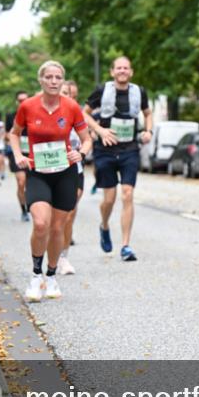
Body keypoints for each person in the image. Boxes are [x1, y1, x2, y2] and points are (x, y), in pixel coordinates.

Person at [9, 61, 91, 301]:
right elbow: (14, 134)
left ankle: (52, 276)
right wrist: (17, 155)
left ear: (62, 81)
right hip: (38, 171)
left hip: (65, 173)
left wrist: (82, 153)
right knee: (41, 223)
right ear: (41, 80)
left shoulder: (72, 107)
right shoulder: (28, 106)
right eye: (49, 77)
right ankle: (36, 276)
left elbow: (87, 139)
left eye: (58, 78)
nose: (54, 82)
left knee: (57, 228)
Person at [82, 56, 151, 262]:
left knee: (127, 194)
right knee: (109, 199)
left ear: (131, 72)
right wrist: (99, 130)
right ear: (112, 72)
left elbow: (148, 113)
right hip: (105, 150)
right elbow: (84, 114)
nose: (122, 71)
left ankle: (126, 246)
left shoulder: (139, 92)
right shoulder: (102, 90)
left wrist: (148, 131)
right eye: (118, 68)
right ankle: (104, 225)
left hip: (130, 148)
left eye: (126, 68)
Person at [56, 80, 85, 275]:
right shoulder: (49, 112)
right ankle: (50, 253)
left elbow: (87, 139)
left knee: (69, 214)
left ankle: (63, 257)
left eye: (73, 95)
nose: (70, 97)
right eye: (66, 93)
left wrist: (81, 152)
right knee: (54, 218)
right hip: (51, 168)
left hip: (75, 168)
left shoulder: (79, 114)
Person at [5, 90, 31, 221]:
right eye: (20, 100)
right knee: (21, 182)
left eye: (25, 99)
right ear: (17, 102)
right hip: (17, 153)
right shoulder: (11, 117)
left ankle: (34, 203)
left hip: (32, 153)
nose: (23, 102)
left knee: (31, 182)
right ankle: (24, 210)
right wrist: (13, 136)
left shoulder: (35, 114)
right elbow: (6, 135)